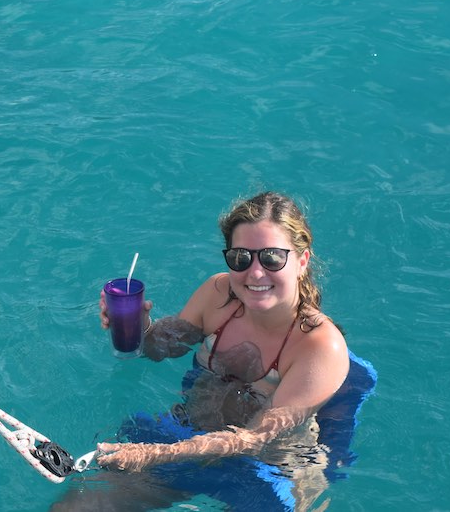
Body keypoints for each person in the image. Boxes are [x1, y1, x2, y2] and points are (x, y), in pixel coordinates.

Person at [55, 191, 350, 511]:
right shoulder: (217, 294)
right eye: (240, 257)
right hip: (187, 435)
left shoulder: (320, 347)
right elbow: (158, 349)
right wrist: (139, 328)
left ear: (302, 261)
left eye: (272, 257)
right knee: (77, 506)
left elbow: (254, 440)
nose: (254, 272)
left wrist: (152, 455)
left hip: (270, 468)